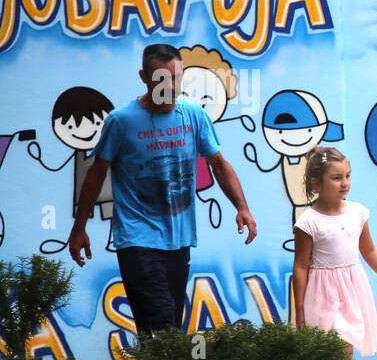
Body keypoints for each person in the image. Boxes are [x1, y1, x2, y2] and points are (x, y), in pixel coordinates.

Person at [67, 43, 257, 335]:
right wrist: (79, 228)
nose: (169, 87)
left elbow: (219, 164)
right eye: (160, 80)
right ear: (144, 77)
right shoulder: (122, 121)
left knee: (155, 332)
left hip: (179, 240)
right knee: (165, 328)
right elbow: (96, 174)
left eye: (175, 79)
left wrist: (242, 207)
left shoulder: (193, 115)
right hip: (137, 239)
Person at [292, 147, 377, 358]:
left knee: (346, 343)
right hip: (323, 292)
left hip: (352, 288)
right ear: (317, 184)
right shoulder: (308, 222)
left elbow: (369, 250)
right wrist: (299, 308)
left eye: (347, 176)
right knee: (329, 346)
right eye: (336, 178)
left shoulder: (357, 212)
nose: (345, 183)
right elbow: (300, 266)